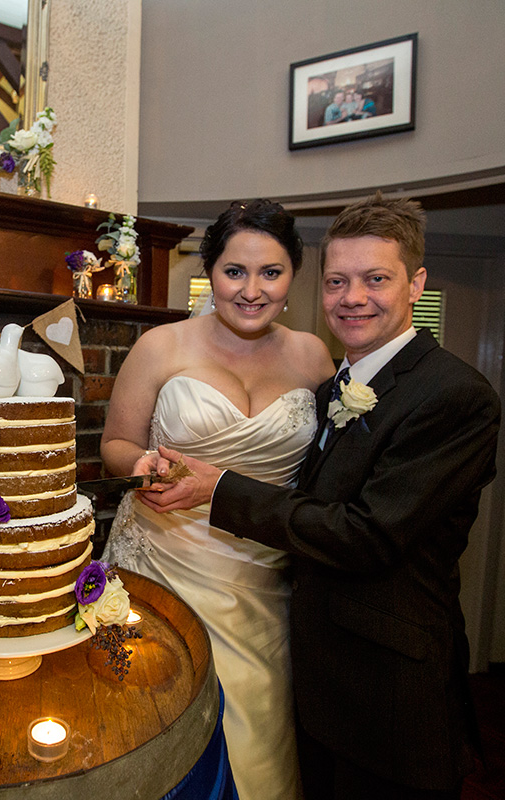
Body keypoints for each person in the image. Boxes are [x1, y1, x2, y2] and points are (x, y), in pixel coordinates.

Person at [140, 194, 500, 799]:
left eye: (375, 280)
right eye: (338, 281)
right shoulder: (337, 381)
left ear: (416, 284)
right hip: (310, 660)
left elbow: (368, 534)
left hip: (385, 687)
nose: (352, 298)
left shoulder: (454, 395)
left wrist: (220, 488)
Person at [102, 199, 334, 800]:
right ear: (210, 271)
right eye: (235, 271)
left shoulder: (313, 356)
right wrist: (141, 463)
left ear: (293, 275)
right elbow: (116, 443)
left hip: (265, 575)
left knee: (261, 740)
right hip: (165, 561)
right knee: (156, 727)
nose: (252, 290)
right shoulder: (161, 346)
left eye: (271, 272)